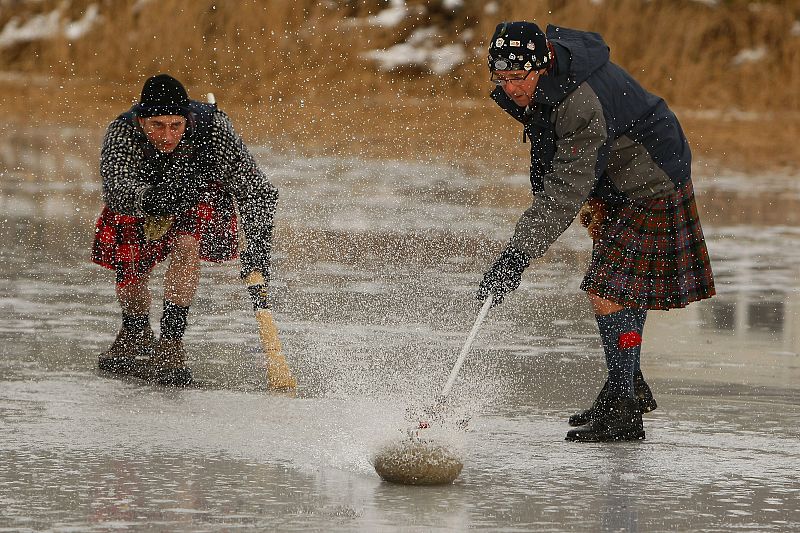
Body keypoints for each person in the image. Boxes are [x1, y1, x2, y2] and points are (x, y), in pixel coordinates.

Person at [476, 22, 715, 442]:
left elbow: (566, 188)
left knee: (609, 289)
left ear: (542, 63)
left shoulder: (577, 100)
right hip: (618, 173)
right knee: (623, 287)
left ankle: (625, 409)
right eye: (502, 78)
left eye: (519, 77)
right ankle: (625, 385)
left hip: (650, 179)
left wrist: (517, 255)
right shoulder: (556, 76)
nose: (511, 88)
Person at [92, 73, 278, 386]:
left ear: (187, 119)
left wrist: (257, 248)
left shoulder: (214, 129)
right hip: (141, 198)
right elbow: (116, 190)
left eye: (175, 126)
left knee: (186, 244)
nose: (167, 136)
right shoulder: (122, 132)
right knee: (130, 264)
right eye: (158, 126)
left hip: (197, 193)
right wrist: (151, 199)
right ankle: (136, 330)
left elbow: (257, 190)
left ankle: (171, 343)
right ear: (142, 121)